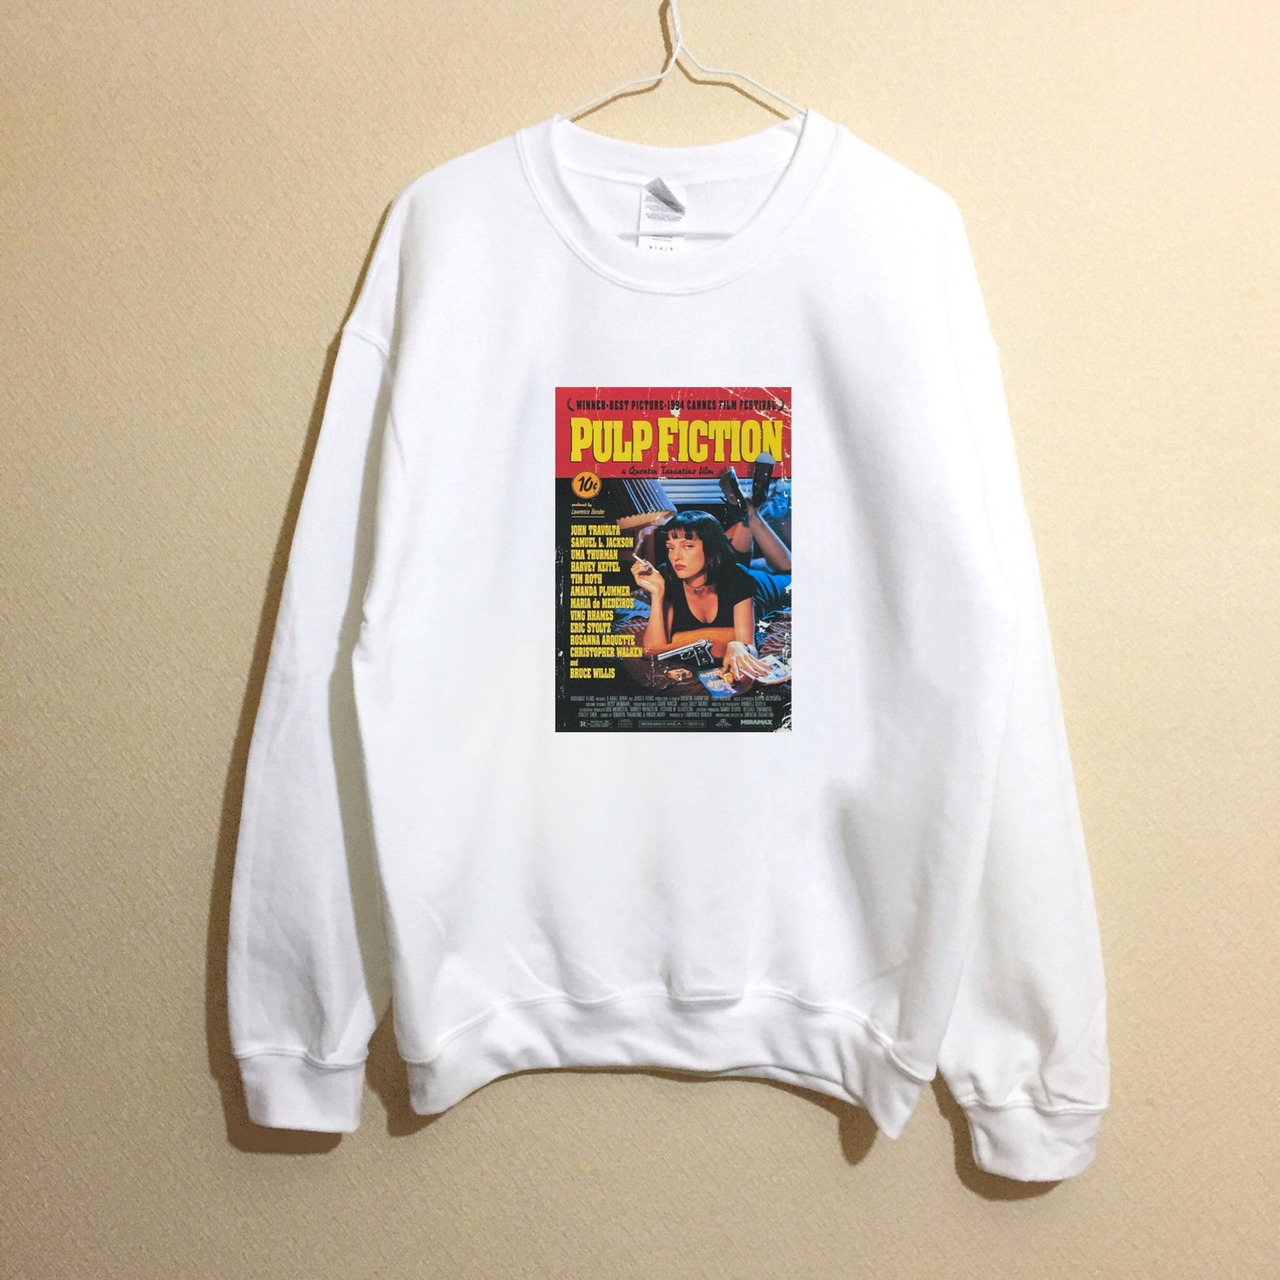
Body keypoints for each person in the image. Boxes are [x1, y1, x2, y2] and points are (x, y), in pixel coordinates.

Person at [630, 510, 773, 683]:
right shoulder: (667, 577)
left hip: (767, 588)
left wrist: (736, 644)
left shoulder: (738, 578)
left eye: (687, 546)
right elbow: (652, 649)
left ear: (711, 547)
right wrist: (658, 592)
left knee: (787, 575)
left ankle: (750, 514)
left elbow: (748, 648)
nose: (676, 556)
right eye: (671, 548)